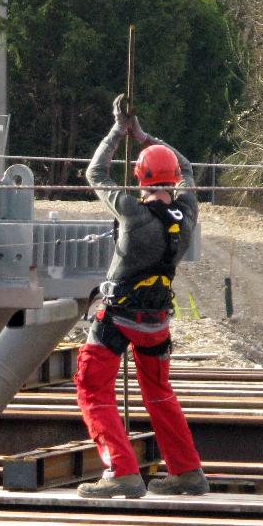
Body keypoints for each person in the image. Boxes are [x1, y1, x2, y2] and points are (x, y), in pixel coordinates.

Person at [75, 94, 208, 498]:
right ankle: (187, 472)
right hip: (157, 322)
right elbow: (184, 167)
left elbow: (95, 172)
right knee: (159, 393)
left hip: (118, 317)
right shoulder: (187, 210)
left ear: (139, 178)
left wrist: (120, 129)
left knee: (92, 387)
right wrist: (144, 134)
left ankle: (122, 472)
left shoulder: (131, 213)